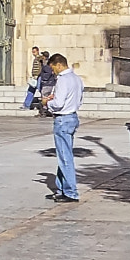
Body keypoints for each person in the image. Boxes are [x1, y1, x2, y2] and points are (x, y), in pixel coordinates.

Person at [44, 53, 82, 199]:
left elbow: (58, 104)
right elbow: (79, 100)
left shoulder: (63, 80)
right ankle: (61, 189)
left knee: (65, 157)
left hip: (63, 119)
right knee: (63, 153)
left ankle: (71, 192)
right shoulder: (76, 79)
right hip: (72, 117)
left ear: (59, 65)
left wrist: (47, 103)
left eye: (53, 68)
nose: (53, 72)